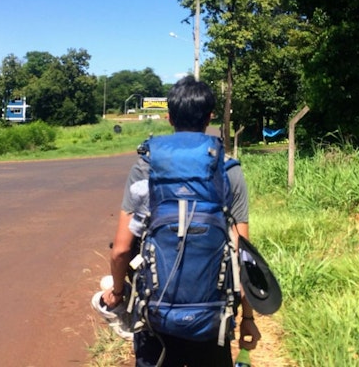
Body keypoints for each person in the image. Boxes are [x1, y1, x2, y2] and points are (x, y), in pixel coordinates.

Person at [100, 75, 261, 367]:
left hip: (154, 316)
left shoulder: (145, 168)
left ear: (170, 117)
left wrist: (118, 293)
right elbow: (242, 252)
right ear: (210, 116)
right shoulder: (228, 170)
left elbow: (122, 250)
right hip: (213, 316)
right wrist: (248, 317)